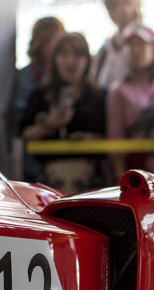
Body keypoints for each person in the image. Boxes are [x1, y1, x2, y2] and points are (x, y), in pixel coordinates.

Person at [21, 33, 107, 195]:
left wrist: (91, 140)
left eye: (77, 54)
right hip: (47, 186)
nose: (70, 61)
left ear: (87, 60)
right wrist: (49, 124)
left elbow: (113, 135)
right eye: (64, 54)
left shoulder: (99, 96)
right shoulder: (40, 95)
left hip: (92, 185)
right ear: (55, 59)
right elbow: (24, 133)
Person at [6, 16, 64, 181]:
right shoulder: (28, 75)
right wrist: (46, 121)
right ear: (38, 44)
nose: (52, 47)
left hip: (62, 157)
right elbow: (19, 116)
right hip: (33, 158)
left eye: (56, 42)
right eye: (47, 42)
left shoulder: (63, 74)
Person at [106, 24, 154, 178]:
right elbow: (115, 138)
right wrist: (121, 180)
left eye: (141, 44)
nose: (135, 50)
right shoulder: (118, 90)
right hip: (137, 170)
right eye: (130, 46)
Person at [91, 0, 144, 90]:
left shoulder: (152, 45)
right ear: (112, 13)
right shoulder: (104, 51)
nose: (135, 10)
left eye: (138, 4)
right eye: (127, 3)